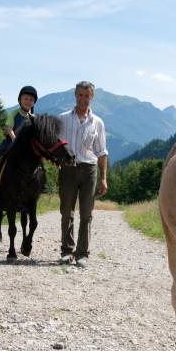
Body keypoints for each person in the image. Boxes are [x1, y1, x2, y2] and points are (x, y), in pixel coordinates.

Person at [58, 81, 108, 268]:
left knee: (86, 214)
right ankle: (66, 251)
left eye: (87, 96)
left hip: (89, 170)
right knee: (66, 212)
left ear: (91, 97)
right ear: (75, 95)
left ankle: (82, 254)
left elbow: (102, 152)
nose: (83, 99)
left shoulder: (98, 123)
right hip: (68, 169)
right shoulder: (63, 119)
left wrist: (103, 178)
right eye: (80, 95)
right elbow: (55, 144)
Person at [0, 85, 38, 186]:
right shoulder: (15, 113)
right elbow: (9, 128)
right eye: (25, 99)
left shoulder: (34, 118)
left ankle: (41, 182)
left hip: (27, 146)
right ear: (20, 100)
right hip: (12, 142)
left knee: (38, 159)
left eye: (31, 100)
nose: (28, 101)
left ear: (34, 102)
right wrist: (14, 139)